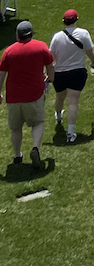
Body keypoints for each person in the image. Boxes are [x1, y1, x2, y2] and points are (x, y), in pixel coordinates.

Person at [0, 21, 55, 166]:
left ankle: (17, 156)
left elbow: (1, 75)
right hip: (34, 96)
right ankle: (35, 148)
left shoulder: (8, 52)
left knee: (15, 128)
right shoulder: (41, 47)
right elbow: (50, 66)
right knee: (38, 122)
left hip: (13, 98)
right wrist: (50, 78)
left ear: (17, 35)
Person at [49, 8, 94, 144]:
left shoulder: (57, 37)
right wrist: (93, 63)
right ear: (76, 20)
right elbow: (89, 51)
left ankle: (58, 116)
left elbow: (51, 57)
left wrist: (48, 72)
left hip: (59, 73)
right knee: (73, 102)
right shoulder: (83, 33)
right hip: (77, 72)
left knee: (60, 97)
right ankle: (70, 133)